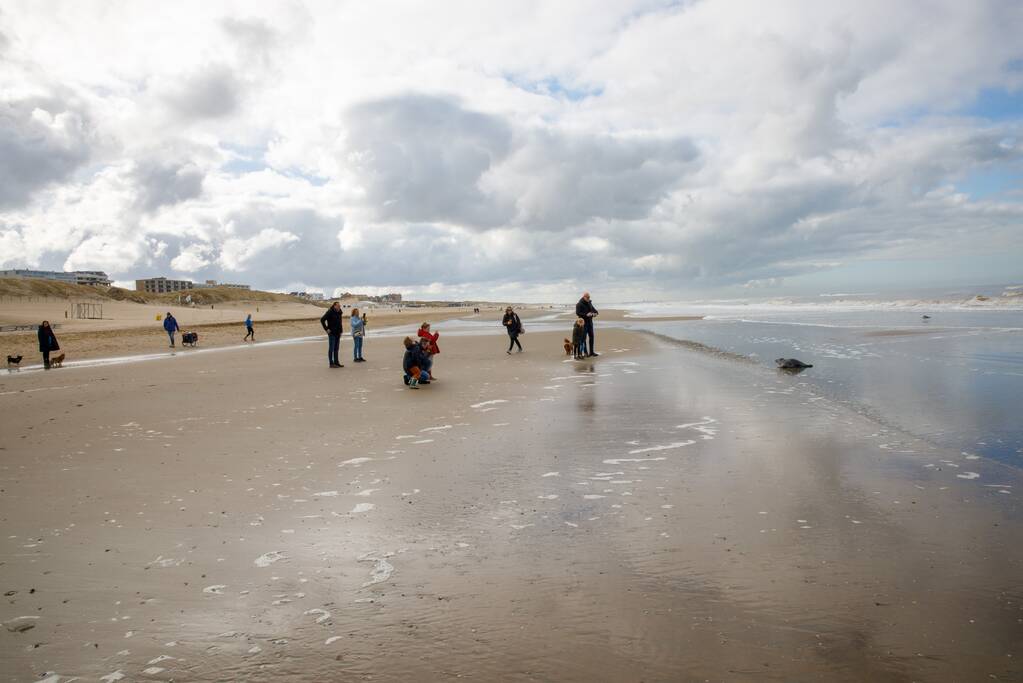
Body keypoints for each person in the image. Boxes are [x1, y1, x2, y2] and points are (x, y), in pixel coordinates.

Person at [320, 301, 344, 368]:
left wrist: (341, 331)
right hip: (332, 333)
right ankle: (331, 363)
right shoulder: (330, 312)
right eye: (338, 306)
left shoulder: (339, 312)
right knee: (331, 348)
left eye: (340, 306)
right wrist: (326, 329)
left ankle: (336, 362)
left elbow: (340, 322)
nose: (339, 307)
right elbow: (322, 320)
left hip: (338, 333)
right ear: (334, 306)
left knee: (336, 348)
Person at [575, 292, 599, 357]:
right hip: (583, 323)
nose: (589, 298)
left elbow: (595, 311)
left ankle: (591, 352)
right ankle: (585, 353)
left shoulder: (589, 303)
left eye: (589, 297)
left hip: (590, 323)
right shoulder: (579, 304)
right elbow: (578, 313)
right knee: (583, 338)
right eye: (587, 297)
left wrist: (595, 314)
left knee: (592, 337)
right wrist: (586, 315)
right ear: (584, 297)